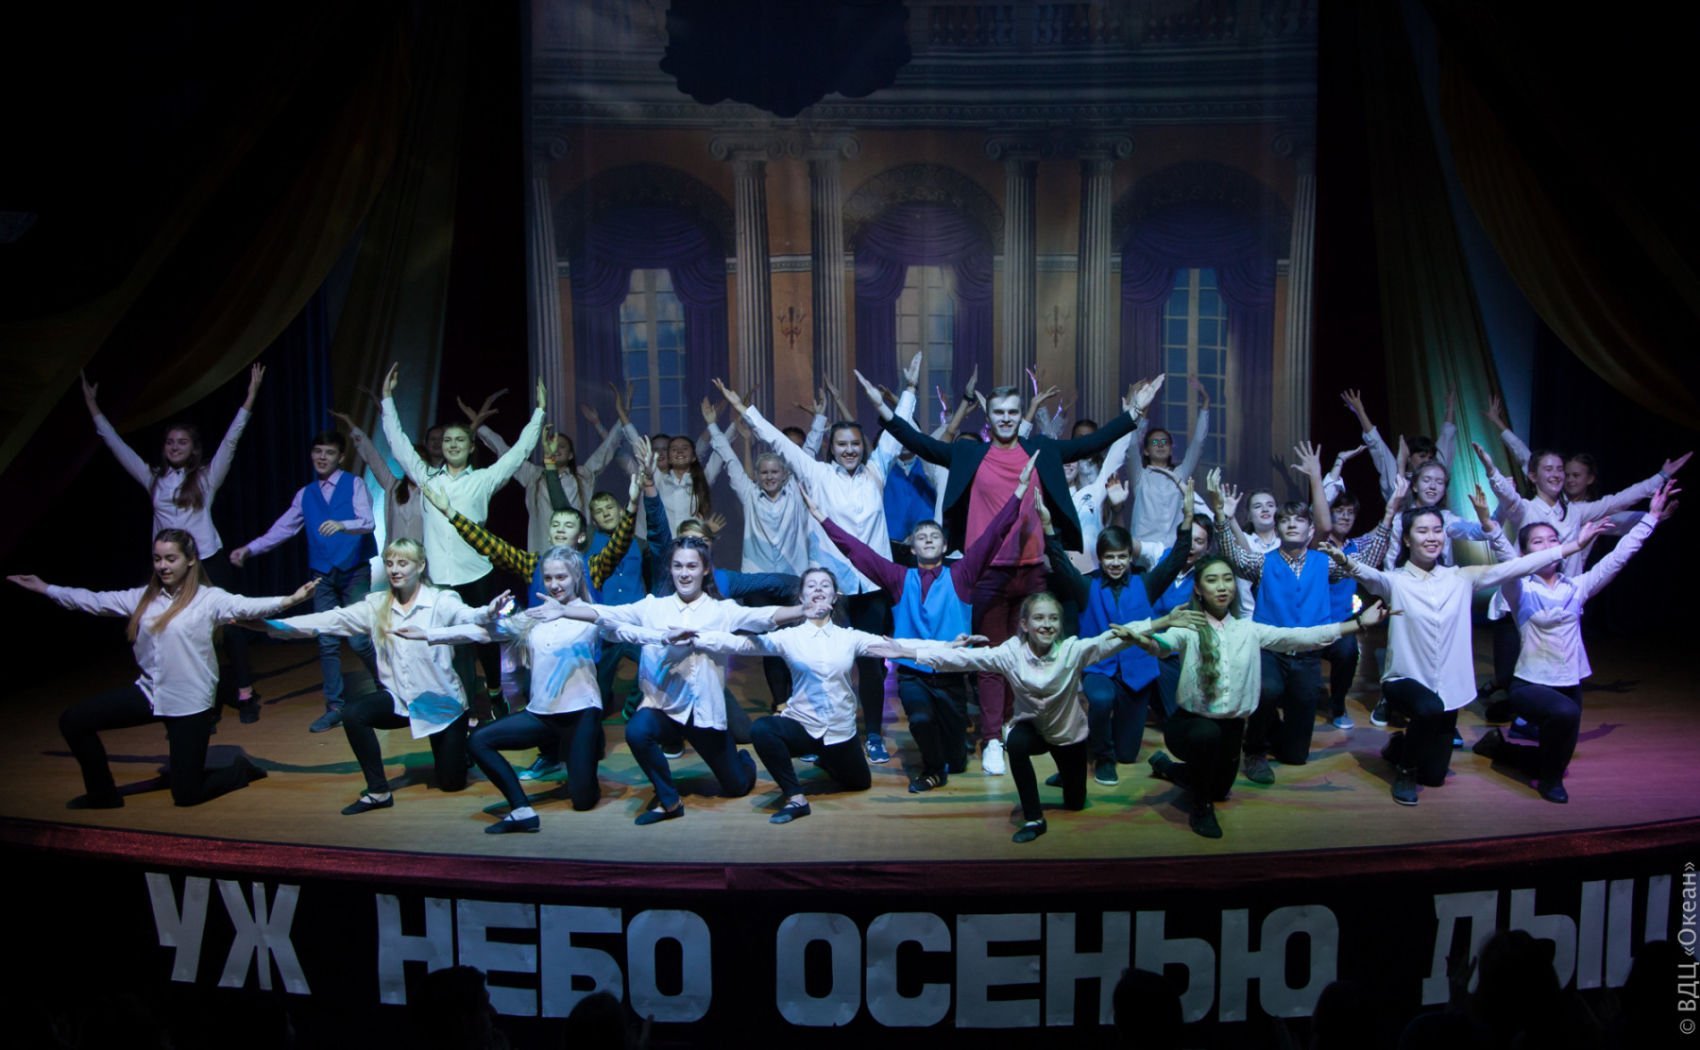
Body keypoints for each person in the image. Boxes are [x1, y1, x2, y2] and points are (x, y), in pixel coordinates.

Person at [869, 372, 1166, 774]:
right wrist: (884, 410)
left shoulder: (1040, 450)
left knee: (1030, 655)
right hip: (987, 573)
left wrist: (1135, 412)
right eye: (999, 413)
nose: (1007, 418)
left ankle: (1013, 723)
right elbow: (922, 443)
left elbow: (1090, 443)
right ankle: (993, 736)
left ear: (1018, 414)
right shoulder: (970, 454)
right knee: (993, 657)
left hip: (1032, 572)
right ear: (988, 418)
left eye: (1012, 411)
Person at [1323, 505, 1610, 805]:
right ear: (1407, 539)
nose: (1432, 537)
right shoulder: (1395, 581)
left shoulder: (1461, 577)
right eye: (1423, 531)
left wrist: (1572, 547)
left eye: (1437, 530)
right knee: (1428, 708)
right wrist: (1345, 561)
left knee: (1434, 777)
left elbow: (1516, 567)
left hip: (1447, 691)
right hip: (1405, 681)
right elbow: (1367, 574)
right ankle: (1405, 772)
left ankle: (1398, 747)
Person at [9, 529, 313, 808]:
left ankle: (239, 771)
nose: (163, 566)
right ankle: (103, 794)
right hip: (150, 694)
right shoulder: (142, 598)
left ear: (190, 560)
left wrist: (290, 600)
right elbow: (93, 601)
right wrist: (45, 588)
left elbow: (245, 605)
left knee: (187, 795)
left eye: (170, 558)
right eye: (157, 559)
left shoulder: (209, 600)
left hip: (190, 704)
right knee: (73, 721)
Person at [717, 366, 912, 766]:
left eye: (855, 443)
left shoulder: (876, 472)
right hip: (830, 590)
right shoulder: (816, 473)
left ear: (863, 446)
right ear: (831, 447)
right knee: (822, 664)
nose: (849, 450)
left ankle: (873, 734)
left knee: (872, 665)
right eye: (841, 444)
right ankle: (820, 734)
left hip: (871, 587)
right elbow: (777, 441)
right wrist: (744, 410)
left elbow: (898, 433)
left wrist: (909, 389)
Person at [811, 454, 1038, 791]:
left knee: (957, 761)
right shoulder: (899, 578)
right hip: (913, 673)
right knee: (919, 719)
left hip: (950, 674)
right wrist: (823, 519)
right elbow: (858, 552)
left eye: (935, 536)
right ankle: (932, 770)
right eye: (922, 536)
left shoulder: (961, 574)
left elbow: (994, 534)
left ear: (945, 546)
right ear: (912, 547)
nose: (929, 539)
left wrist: (1018, 492)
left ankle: (946, 757)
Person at [541, 537, 802, 825]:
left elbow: (763, 616)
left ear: (705, 569)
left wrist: (802, 610)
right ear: (670, 568)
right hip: (663, 708)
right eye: (678, 566)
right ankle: (669, 800)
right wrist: (565, 610)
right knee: (637, 730)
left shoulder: (721, 610)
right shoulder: (653, 607)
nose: (684, 573)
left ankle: (742, 760)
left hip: (702, 712)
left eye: (691, 566)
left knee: (737, 786)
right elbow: (609, 613)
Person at [247, 538, 507, 814]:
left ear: (420, 566)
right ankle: (378, 791)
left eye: (403, 563)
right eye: (390, 563)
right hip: (401, 700)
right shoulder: (376, 605)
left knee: (451, 783)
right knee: (353, 714)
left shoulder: (441, 601)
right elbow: (328, 620)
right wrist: (270, 626)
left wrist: (489, 611)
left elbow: (469, 617)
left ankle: (461, 748)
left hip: (441, 705)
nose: (394, 569)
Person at [908, 593, 1193, 844]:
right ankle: (1034, 818)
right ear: (1024, 624)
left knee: (1075, 802)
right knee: (1015, 743)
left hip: (1067, 736)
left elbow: (1113, 639)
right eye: (1039, 618)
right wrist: (908, 652)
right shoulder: (1011, 653)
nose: (1047, 624)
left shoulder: (1072, 651)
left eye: (1053, 618)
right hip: (1032, 729)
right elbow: (966, 659)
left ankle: (1066, 775)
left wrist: (1163, 621)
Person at [1142, 555, 1387, 837]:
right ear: (1198, 588)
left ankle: (1168, 768)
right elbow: (1160, 645)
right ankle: (1201, 808)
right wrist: (1149, 632)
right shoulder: (1188, 628)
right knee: (1206, 744)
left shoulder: (1249, 629)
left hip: (1231, 727)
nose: (1221, 586)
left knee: (1219, 789)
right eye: (1212, 580)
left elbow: (1301, 637)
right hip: (1190, 725)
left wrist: (1358, 623)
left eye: (1227, 579)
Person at [1472, 482, 1673, 802]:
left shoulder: (1577, 587)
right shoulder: (1521, 589)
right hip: (1530, 683)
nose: (1547, 545)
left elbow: (1619, 557)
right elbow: (1508, 559)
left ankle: (1500, 748)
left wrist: (1650, 517)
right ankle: (1548, 783)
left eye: (1553, 539)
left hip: (1569, 682)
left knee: (1555, 758)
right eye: (1537, 541)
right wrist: (1489, 524)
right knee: (1563, 718)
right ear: (1526, 553)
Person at [82, 363, 267, 710]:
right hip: (171, 565)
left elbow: (231, 440)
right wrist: (93, 406)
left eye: (182, 442)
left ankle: (244, 691)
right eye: (170, 442)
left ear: (193, 448)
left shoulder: (206, 477)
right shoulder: (153, 479)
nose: (175, 446)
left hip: (207, 560)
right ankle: (186, 695)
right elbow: (116, 445)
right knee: (170, 627)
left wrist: (250, 397)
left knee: (229, 625)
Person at [690, 568, 934, 824]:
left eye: (825, 585)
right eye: (811, 585)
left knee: (859, 783)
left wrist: (947, 649)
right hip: (803, 726)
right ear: (801, 597)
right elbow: (740, 644)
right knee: (763, 730)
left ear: (835, 597)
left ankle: (827, 759)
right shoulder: (789, 637)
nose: (818, 589)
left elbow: (900, 647)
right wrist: (696, 638)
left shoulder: (849, 637)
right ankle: (795, 797)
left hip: (839, 732)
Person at [1213, 450, 1392, 784]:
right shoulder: (1263, 562)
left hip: (1308, 656)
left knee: (1295, 756)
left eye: (1299, 520)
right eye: (1285, 520)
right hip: (1271, 651)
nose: (1292, 524)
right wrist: (1223, 518)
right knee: (1267, 690)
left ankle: (1276, 733)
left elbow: (1366, 562)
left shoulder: (1324, 563)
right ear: (1278, 528)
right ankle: (1253, 749)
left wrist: (1389, 515)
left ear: (1311, 531)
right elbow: (1234, 557)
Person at [379, 364, 546, 722]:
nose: (453, 444)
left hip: (477, 573)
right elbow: (399, 445)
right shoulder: (427, 478)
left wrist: (540, 413)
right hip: (440, 578)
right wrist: (387, 399)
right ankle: (464, 706)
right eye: (448, 440)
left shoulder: (483, 480)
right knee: (454, 646)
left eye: (460, 440)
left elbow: (518, 453)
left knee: (484, 638)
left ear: (471, 447)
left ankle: (495, 693)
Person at [406, 546, 608, 830]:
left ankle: (585, 757)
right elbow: (482, 633)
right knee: (479, 741)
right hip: (541, 715)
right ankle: (522, 809)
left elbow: (622, 624)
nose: (554, 584)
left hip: (581, 714)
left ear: (576, 576)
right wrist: (430, 634)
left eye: (561, 577)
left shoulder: (591, 614)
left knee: (583, 801)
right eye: (548, 578)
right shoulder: (534, 617)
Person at [229, 429, 378, 731]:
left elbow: (368, 522)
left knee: (360, 638)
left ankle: (387, 686)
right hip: (322, 573)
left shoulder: (354, 484)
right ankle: (334, 706)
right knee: (326, 639)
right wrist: (250, 549)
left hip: (354, 570)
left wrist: (342, 525)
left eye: (329, 452)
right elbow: (282, 529)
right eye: (318, 451)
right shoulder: (305, 494)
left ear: (340, 457)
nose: (322, 457)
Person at [1045, 487, 1194, 786]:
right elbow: (1060, 564)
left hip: (1137, 672)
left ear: (1129, 558)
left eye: (1121, 557)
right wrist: (1048, 526)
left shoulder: (1146, 583)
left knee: (1127, 754)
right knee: (1101, 700)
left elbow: (1176, 560)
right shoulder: (1087, 587)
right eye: (1109, 557)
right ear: (1100, 559)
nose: (1115, 563)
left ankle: (1099, 743)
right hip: (1099, 668)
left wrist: (1188, 517)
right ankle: (1102, 756)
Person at [1126, 376, 1211, 550]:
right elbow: (1132, 443)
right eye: (1155, 442)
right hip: (1143, 547)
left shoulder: (1180, 474)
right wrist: (1139, 408)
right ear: (1146, 450)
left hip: (1173, 549)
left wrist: (1206, 403)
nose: (1160, 445)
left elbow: (1198, 443)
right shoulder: (1140, 475)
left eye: (1165, 442)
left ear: (1171, 449)